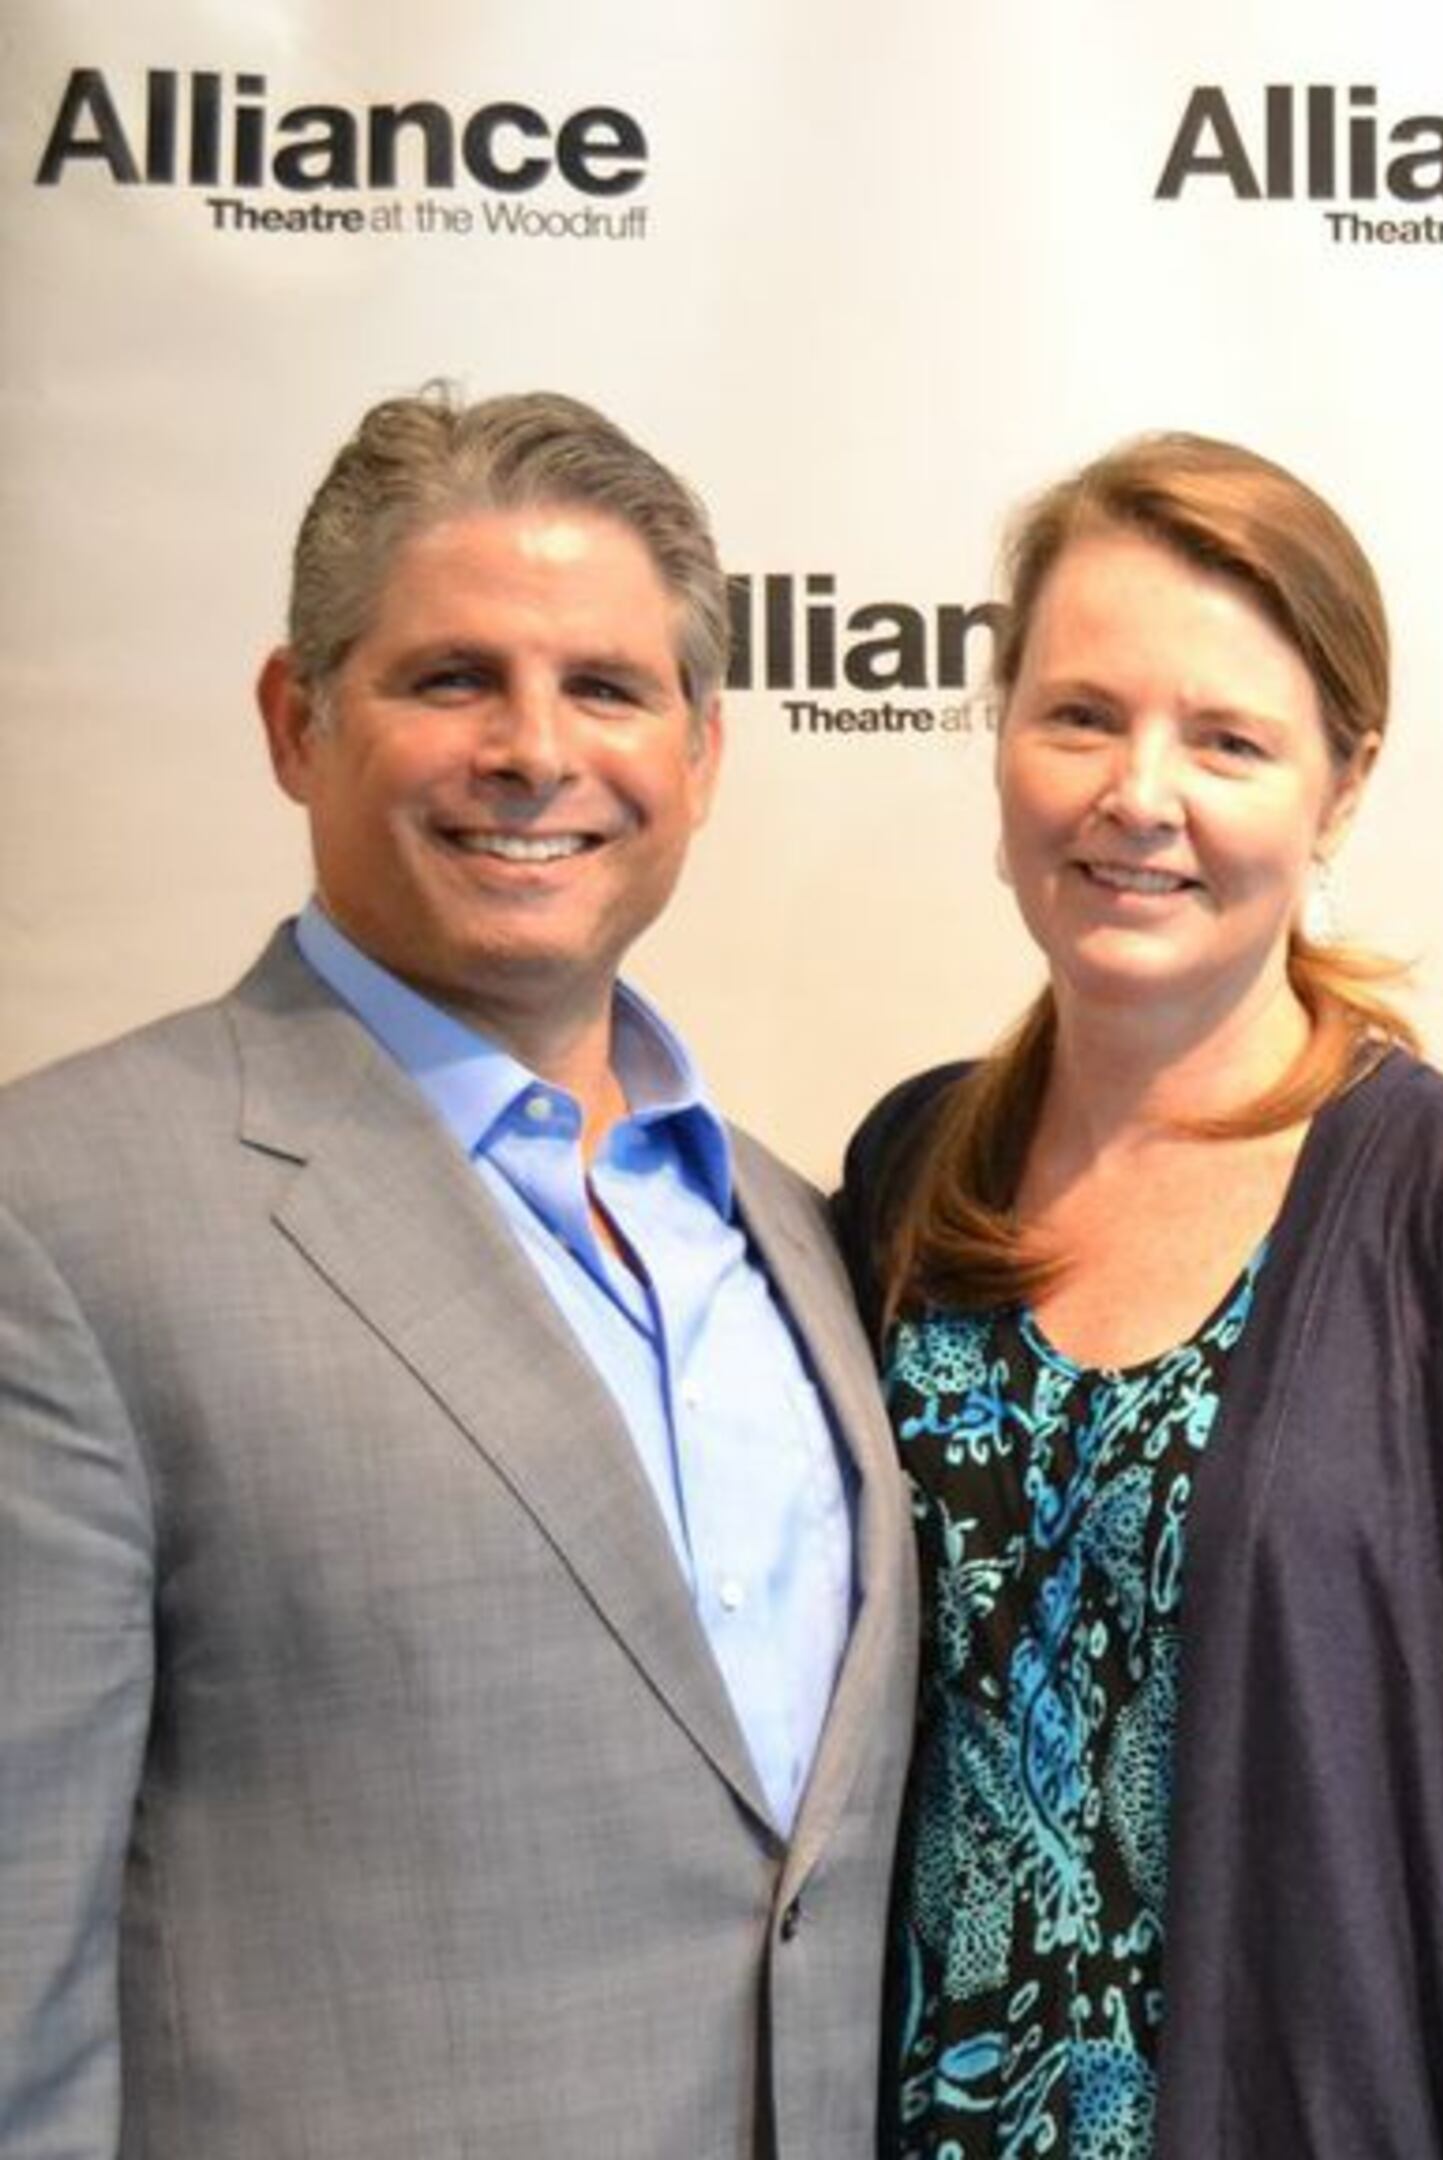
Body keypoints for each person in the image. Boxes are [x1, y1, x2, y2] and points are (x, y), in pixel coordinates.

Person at [0, 386, 913, 2154]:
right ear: (296, 719)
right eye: (450, 680)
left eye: (606, 688)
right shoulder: (62, 1219)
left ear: (702, 752)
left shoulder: (797, 1228)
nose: (533, 750)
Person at [834, 432, 1443, 2158]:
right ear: (1003, 734)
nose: (1138, 794)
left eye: (1228, 739)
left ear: (1340, 785)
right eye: (1081, 714)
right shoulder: (908, 1173)